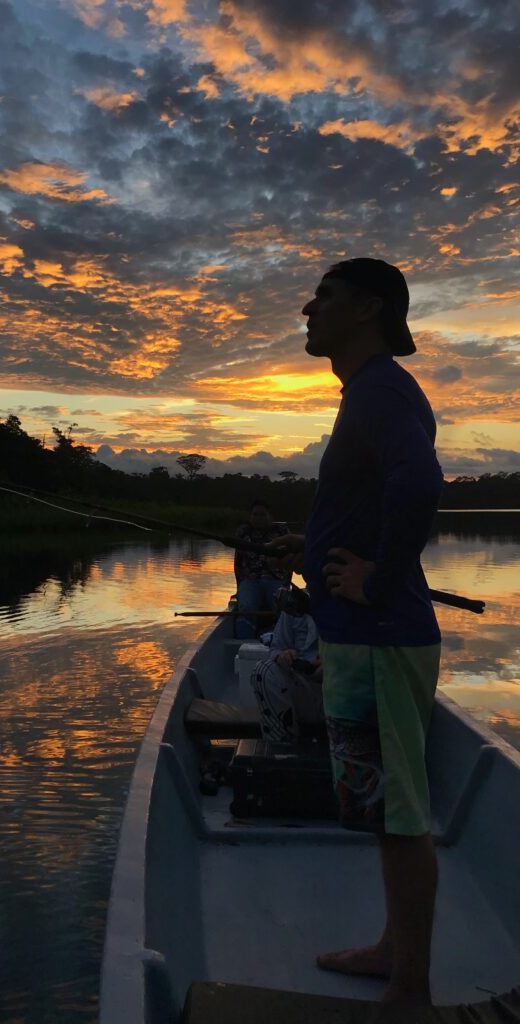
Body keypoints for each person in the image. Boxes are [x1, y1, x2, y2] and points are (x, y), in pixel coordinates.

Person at [266, 258, 443, 1007]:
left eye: (324, 297)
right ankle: (390, 949)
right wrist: (305, 552)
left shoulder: (378, 392)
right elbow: (373, 502)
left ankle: (409, 985)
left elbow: (420, 482)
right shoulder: (366, 395)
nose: (308, 309)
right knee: (381, 805)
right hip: (360, 635)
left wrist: (376, 577)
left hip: (380, 634)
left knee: (398, 811)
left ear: (368, 308)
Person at [251, 606, 323, 742]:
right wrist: (282, 656)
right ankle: (282, 747)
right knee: (263, 671)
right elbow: (276, 648)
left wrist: (332, 667)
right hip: (302, 685)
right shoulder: (294, 605)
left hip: (341, 687)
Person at [233, 499, 288, 638]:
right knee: (246, 607)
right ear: (250, 516)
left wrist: (286, 587)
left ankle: (280, 639)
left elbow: (290, 563)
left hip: (275, 580)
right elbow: (238, 563)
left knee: (285, 608)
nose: (258, 518)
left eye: (262, 515)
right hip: (249, 581)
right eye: (255, 514)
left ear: (270, 516)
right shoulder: (242, 532)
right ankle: (244, 643)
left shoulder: (282, 532)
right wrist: (239, 588)